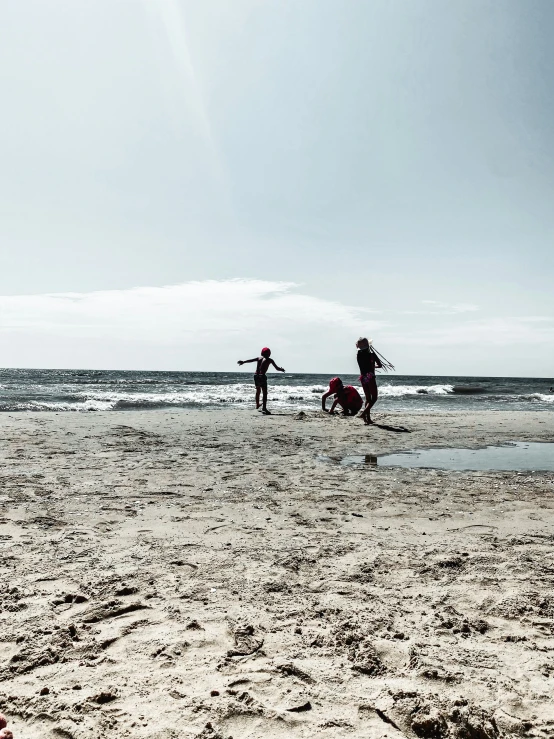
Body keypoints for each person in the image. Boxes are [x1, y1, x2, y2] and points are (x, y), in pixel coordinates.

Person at [237, 347, 285, 414]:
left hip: (256, 375)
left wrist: (243, 362)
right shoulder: (270, 360)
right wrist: (282, 369)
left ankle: (257, 404)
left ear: (262, 353)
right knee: (264, 393)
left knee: (258, 390)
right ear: (269, 353)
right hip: (262, 376)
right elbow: (277, 368)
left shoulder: (259, 358)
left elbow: (251, 360)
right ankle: (264, 408)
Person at [356, 337, 382, 425]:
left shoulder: (358, 355)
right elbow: (380, 365)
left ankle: (368, 419)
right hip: (370, 376)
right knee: (374, 398)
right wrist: (373, 366)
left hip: (363, 377)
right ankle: (364, 414)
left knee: (368, 399)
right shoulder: (371, 354)